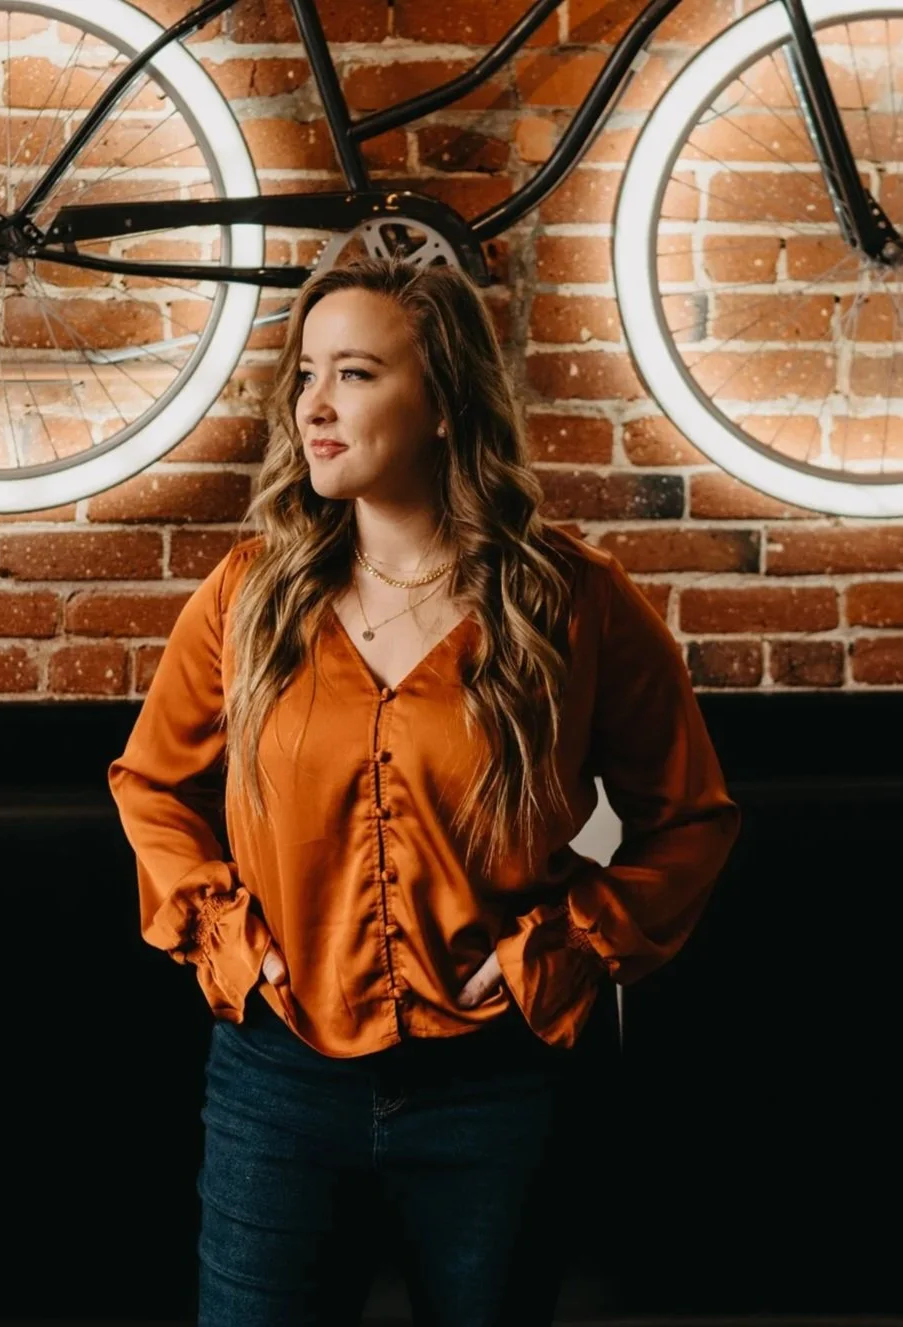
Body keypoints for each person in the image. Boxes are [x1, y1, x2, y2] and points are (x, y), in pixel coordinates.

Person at [108, 255, 741, 1327]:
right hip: (277, 1082)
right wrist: (225, 933)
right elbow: (152, 785)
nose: (311, 404)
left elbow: (688, 817)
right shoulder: (247, 597)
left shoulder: (573, 604)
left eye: (354, 373)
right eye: (306, 371)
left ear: (444, 402)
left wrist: (570, 946)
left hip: (496, 1092)